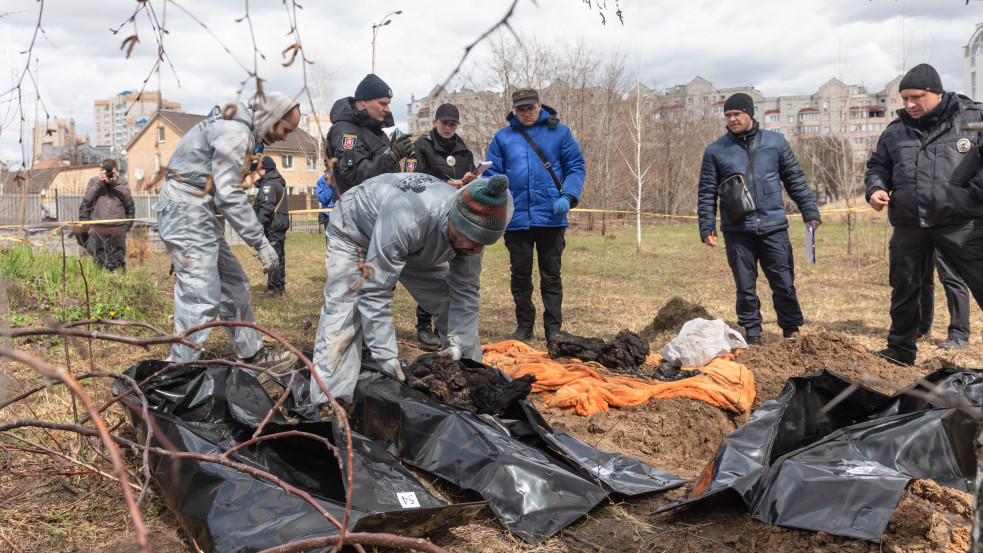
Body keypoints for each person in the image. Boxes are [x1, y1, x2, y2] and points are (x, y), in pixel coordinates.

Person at [309, 172, 513, 407]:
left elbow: (465, 290)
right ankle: (330, 402)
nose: (478, 250)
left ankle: (470, 388)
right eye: (474, 242)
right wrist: (385, 354)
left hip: (416, 242)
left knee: (448, 301)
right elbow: (375, 291)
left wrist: (459, 344)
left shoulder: (478, 221)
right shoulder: (407, 217)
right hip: (356, 228)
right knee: (345, 309)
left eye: (484, 243)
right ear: (455, 225)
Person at [153, 91, 301, 372]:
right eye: (285, 130)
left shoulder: (235, 128)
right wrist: (259, 242)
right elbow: (229, 196)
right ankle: (176, 373)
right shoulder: (235, 133)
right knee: (200, 291)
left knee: (234, 283)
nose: (284, 138)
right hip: (186, 208)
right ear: (271, 118)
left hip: (196, 207)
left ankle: (252, 355)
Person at [865, 63, 983, 366]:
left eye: (916, 97)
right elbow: (879, 166)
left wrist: (972, 193)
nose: (909, 104)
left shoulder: (973, 119)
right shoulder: (895, 131)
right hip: (909, 222)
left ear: (937, 93)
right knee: (904, 287)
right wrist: (876, 188)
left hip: (961, 221)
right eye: (904, 99)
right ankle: (900, 351)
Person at [697, 93, 822, 346]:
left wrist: (810, 212)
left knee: (784, 282)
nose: (732, 119)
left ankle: (791, 331)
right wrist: (706, 226)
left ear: (750, 114)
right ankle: (752, 332)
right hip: (737, 229)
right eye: (728, 115)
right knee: (745, 285)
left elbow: (795, 179)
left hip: (774, 225)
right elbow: (706, 191)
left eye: (737, 114)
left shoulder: (776, 143)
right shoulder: (715, 150)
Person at [485, 88, 585, 342]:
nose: (526, 114)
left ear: (540, 105)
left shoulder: (560, 133)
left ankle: (553, 329)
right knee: (520, 274)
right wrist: (494, 198)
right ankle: (524, 326)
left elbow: (575, 166)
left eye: (530, 108)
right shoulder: (502, 138)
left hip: (551, 216)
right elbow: (491, 174)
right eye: (521, 110)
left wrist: (568, 196)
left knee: (551, 274)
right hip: (516, 219)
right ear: (514, 111)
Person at [409, 102, 480, 347]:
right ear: (434, 123)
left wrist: (469, 181)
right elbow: (414, 182)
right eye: (444, 123)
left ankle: (452, 326)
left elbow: (468, 183)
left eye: (453, 124)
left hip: (458, 218)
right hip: (428, 217)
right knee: (431, 270)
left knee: (455, 273)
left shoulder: (463, 151)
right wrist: (447, 184)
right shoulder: (421, 147)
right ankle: (423, 325)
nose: (448, 128)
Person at [325, 74, 414, 198]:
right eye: (383, 104)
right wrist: (392, 156)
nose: (387, 110)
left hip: (380, 209)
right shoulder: (345, 131)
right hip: (357, 212)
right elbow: (353, 175)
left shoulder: (376, 131)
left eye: (388, 104)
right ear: (365, 101)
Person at [78, 159, 135, 272]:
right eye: (107, 172)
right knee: (100, 256)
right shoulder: (94, 181)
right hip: (100, 226)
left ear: (116, 171)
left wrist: (127, 226)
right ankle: (102, 281)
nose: (109, 174)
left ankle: (119, 280)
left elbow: (128, 201)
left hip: (118, 226)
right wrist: (100, 182)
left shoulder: (122, 182)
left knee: (118, 255)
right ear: (101, 171)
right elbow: (87, 201)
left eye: (112, 172)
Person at [917, 249, 971, 350]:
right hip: (920, 233)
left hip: (945, 234)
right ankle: (922, 329)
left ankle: (959, 335)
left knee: (951, 277)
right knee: (921, 277)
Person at [253, 155, 290, 296]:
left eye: (259, 169)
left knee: (273, 256)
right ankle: (280, 287)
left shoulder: (269, 184)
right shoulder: (277, 182)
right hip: (279, 222)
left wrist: (258, 225)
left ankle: (273, 288)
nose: (257, 171)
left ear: (265, 169)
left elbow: (266, 208)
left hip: (273, 224)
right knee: (279, 256)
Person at [314, 166, 335, 233]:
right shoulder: (322, 181)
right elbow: (323, 199)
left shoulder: (342, 176)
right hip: (329, 216)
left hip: (343, 215)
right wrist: (328, 184)